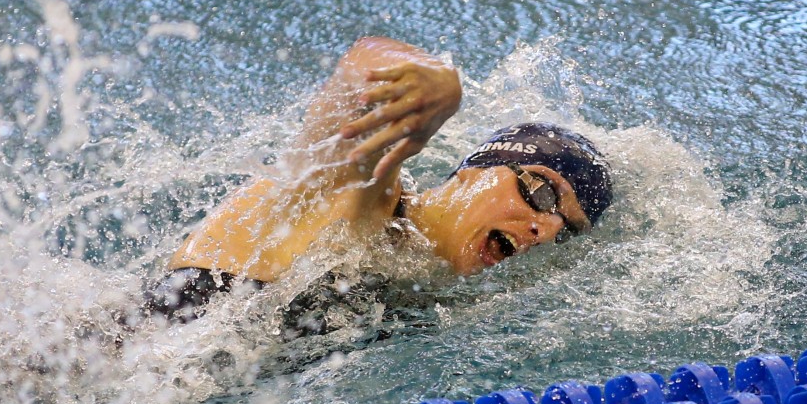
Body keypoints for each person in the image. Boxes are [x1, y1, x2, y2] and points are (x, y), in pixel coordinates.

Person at [145, 37, 613, 322]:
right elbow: (358, 71)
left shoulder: (424, 281)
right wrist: (437, 84)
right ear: (476, 171)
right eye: (542, 192)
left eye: (566, 230)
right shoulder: (362, 194)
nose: (546, 230)